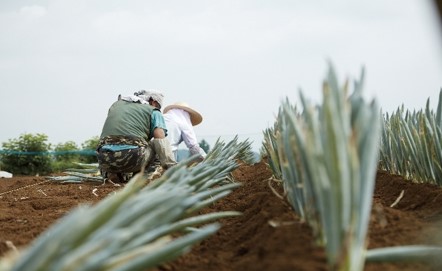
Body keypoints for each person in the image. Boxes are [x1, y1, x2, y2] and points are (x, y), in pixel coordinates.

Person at [96, 90, 176, 182]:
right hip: (133, 157)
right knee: (157, 145)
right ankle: (141, 178)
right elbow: (160, 140)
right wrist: (170, 166)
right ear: (153, 102)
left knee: (112, 144)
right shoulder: (153, 111)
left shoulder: (116, 105)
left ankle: (111, 174)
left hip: (104, 159)